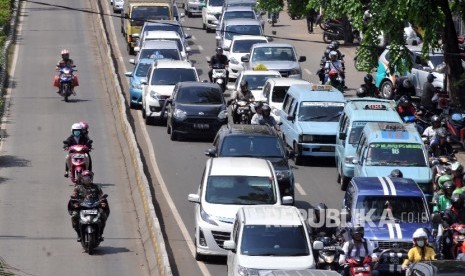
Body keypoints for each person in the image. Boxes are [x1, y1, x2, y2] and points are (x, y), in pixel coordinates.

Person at [68, 170, 109, 242]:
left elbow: (101, 196)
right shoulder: (78, 187)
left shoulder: (96, 187)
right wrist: (74, 202)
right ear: (82, 178)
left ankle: (100, 234)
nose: (87, 179)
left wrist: (102, 202)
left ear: (91, 178)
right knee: (74, 216)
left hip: (94, 206)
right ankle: (79, 234)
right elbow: (74, 196)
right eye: (85, 177)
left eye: (88, 177)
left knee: (103, 215)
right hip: (81, 207)